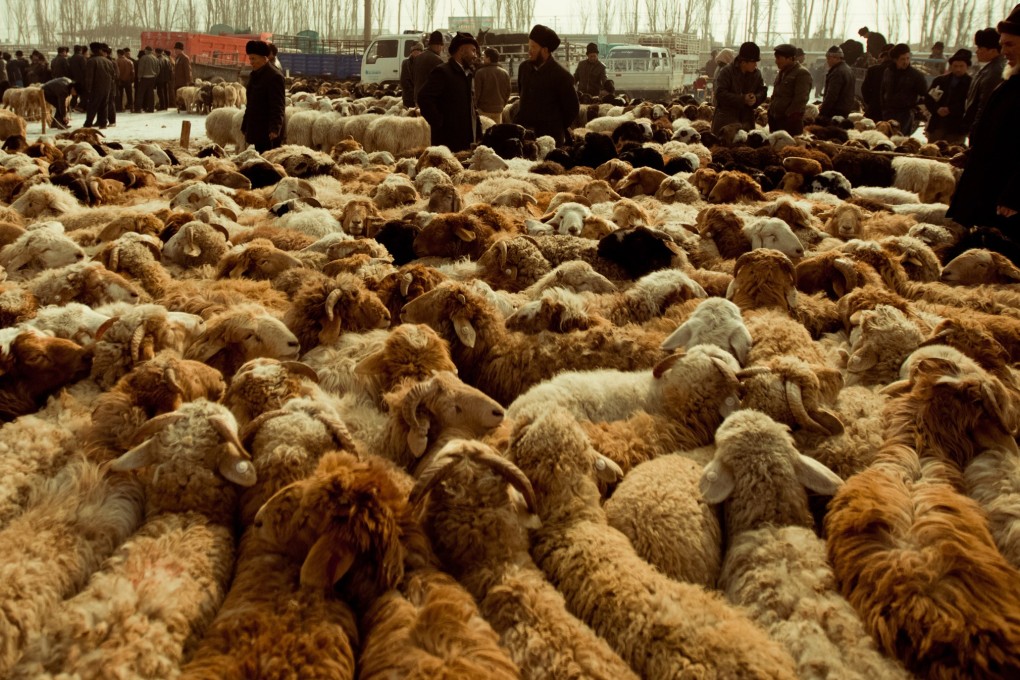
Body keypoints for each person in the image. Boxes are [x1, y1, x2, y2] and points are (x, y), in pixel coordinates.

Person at [948, 4, 1020, 235]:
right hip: (991, 190)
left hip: (1007, 202)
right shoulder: (1011, 82)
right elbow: (1001, 134)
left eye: (1009, 44)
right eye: (1002, 45)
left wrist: (1015, 195)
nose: (1004, 51)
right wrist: (972, 154)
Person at [514, 24, 580, 146]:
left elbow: (572, 108)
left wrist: (555, 125)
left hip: (550, 139)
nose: (529, 51)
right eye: (529, 46)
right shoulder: (524, 68)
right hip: (525, 135)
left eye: (533, 47)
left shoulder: (562, 75)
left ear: (545, 50)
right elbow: (522, 94)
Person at [418, 32, 482, 152]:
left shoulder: (468, 74)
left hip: (467, 141)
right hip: (447, 144)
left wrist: (478, 132)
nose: (475, 55)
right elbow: (424, 98)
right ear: (462, 51)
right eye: (473, 50)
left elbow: (472, 106)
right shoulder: (443, 72)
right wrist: (440, 124)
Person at [711, 42, 767, 134]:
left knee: (745, 148)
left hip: (747, 121)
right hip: (726, 122)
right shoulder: (727, 72)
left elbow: (762, 90)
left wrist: (756, 98)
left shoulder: (756, 74)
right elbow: (720, 94)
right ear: (743, 62)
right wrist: (742, 99)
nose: (755, 65)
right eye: (753, 62)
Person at [241, 40, 286, 152]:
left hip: (269, 132)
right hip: (258, 129)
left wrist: (275, 129)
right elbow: (250, 103)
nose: (251, 62)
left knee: (269, 163)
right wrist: (245, 124)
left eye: (253, 58)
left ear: (264, 58)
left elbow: (278, 105)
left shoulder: (274, 76)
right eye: (250, 58)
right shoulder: (255, 75)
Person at [924, 49, 972, 144]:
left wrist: (951, 110)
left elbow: (971, 105)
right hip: (937, 125)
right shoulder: (940, 81)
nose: (958, 69)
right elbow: (928, 99)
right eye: (955, 66)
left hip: (957, 128)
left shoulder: (971, 84)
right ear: (951, 66)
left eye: (961, 66)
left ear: (967, 67)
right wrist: (937, 109)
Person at [965, 27, 1007, 134]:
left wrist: (976, 131)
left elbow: (984, 107)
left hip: (982, 130)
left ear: (993, 51)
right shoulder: (989, 68)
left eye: (980, 48)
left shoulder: (995, 73)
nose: (977, 51)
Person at [880, 43, 927, 133]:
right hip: (888, 112)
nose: (905, 62)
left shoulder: (916, 75)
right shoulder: (888, 72)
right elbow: (883, 90)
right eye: (902, 59)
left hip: (905, 114)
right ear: (895, 60)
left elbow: (924, 94)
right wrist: (884, 108)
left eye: (907, 58)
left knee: (901, 139)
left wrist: (914, 109)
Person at [768, 43, 813, 135]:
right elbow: (776, 95)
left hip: (789, 123)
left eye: (779, 58)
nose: (776, 61)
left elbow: (800, 99)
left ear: (790, 58)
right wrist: (771, 111)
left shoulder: (802, 73)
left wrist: (788, 115)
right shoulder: (782, 72)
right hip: (775, 120)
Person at [819, 45, 856, 120]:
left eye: (829, 58)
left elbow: (832, 95)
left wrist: (822, 112)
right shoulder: (848, 69)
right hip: (845, 109)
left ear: (836, 58)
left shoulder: (837, 72)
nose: (827, 61)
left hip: (834, 111)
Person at [474, 46, 510, 123]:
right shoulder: (504, 73)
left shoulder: (480, 73)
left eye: (484, 56)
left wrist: (475, 108)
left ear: (488, 58)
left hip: (483, 111)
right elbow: (508, 92)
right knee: (497, 133)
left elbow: (477, 93)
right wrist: (502, 104)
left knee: (484, 132)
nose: (483, 58)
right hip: (498, 110)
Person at [83, 42, 115, 128]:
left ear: (92, 51)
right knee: (104, 106)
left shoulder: (91, 61)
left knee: (92, 106)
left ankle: (88, 124)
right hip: (107, 87)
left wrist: (88, 89)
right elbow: (113, 75)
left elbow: (89, 77)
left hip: (96, 87)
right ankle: (103, 123)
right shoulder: (108, 61)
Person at [412, 31, 445, 105]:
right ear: (438, 46)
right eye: (441, 46)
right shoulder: (438, 60)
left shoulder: (417, 58)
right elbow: (440, 83)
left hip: (417, 98)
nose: (441, 49)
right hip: (431, 100)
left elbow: (413, 78)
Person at [860, 47, 890, 119]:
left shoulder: (873, 70)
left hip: (874, 109)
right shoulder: (899, 71)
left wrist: (870, 102)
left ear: (882, 56)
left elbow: (864, 89)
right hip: (892, 113)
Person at [400, 42, 423, 107]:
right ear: (412, 52)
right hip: (409, 98)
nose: (417, 52)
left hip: (419, 97)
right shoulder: (406, 63)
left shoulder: (422, 62)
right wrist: (414, 94)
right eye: (415, 50)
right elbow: (404, 81)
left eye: (419, 50)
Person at [136, 47, 158, 113]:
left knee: (140, 93)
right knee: (150, 93)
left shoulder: (143, 58)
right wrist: (155, 75)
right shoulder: (155, 58)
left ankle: (138, 108)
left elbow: (141, 69)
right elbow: (158, 69)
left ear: (146, 51)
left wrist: (139, 77)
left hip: (144, 77)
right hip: (153, 77)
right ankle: (151, 108)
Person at [173, 41, 192, 108]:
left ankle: (184, 106)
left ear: (180, 50)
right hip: (177, 81)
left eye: (176, 49)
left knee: (183, 94)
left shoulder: (185, 58)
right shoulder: (177, 58)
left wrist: (188, 81)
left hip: (183, 81)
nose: (175, 51)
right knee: (178, 94)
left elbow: (187, 70)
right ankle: (180, 105)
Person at [69, 45, 88, 112]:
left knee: (75, 94)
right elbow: (84, 69)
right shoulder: (82, 58)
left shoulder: (71, 58)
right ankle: (80, 106)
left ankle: (71, 105)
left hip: (73, 79)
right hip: (81, 79)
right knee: (84, 94)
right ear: (80, 50)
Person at [117, 48, 134, 113]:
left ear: (118, 54)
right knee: (129, 94)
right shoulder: (130, 61)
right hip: (128, 80)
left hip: (120, 80)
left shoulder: (117, 61)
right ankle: (131, 107)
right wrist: (131, 80)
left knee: (120, 95)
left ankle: (120, 107)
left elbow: (116, 72)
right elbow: (132, 72)